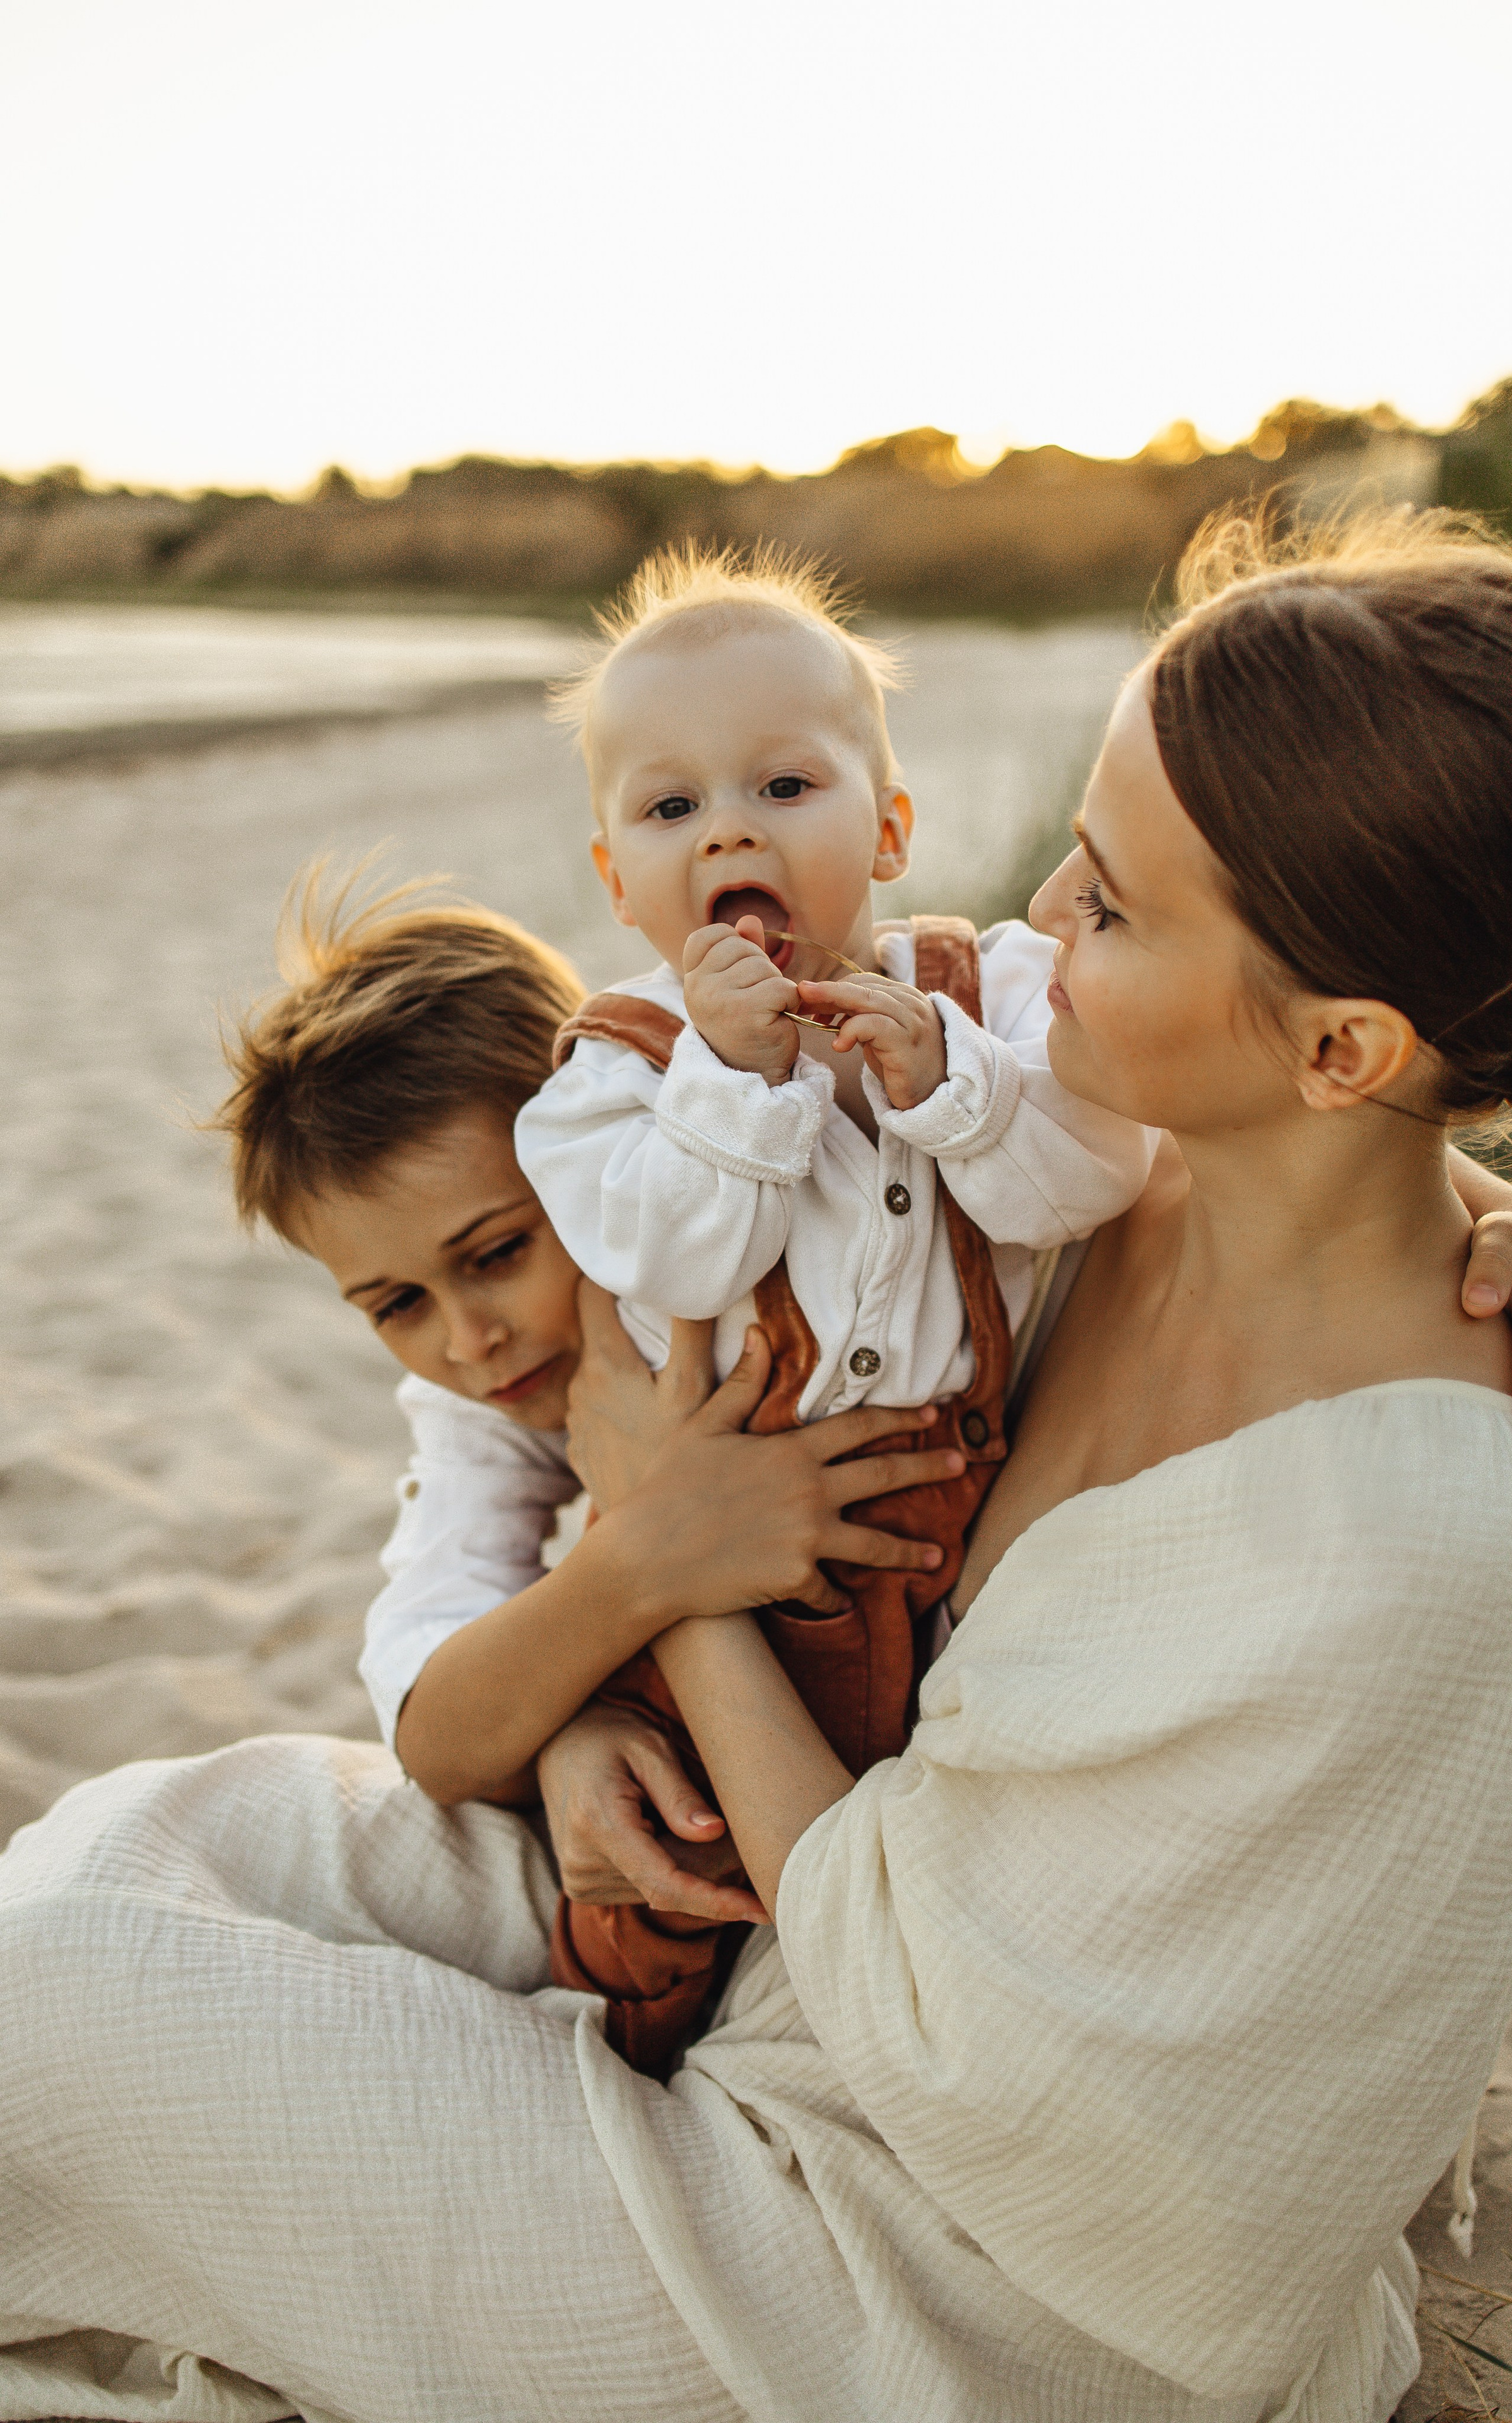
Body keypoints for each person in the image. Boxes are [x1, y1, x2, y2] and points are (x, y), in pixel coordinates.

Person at [2, 508, 1512, 2423]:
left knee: (60, 2019)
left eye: (1104, 905)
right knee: (149, 1842)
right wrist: (1491, 1200)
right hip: (763, 1916)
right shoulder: (1134, 1169)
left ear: (1340, 1044)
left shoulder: (1402, 1526)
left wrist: (662, 1561)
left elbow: (953, 2038)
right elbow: (1350, 1144)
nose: (1034, 933)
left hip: (917, 2271)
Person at [516, 545, 1159, 2068]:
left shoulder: (985, 991)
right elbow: (671, 1263)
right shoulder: (609, 1070)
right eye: (671, 809)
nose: (727, 825)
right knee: (676, 1847)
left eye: (783, 787)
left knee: (949, 1830)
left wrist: (950, 1090)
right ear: (617, 881)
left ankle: (861, 2036)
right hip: (728, 1576)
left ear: (887, 827)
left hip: (949, 1552)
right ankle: (632, 2027)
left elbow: (1100, 1170)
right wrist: (731, 1081)